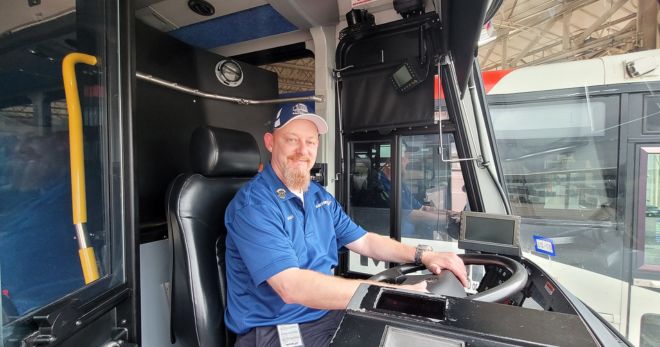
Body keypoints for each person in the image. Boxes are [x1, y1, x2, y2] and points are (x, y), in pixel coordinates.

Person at [224, 103, 468, 347]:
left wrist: (423, 255)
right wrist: (387, 294)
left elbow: (365, 241)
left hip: (325, 313)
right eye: (291, 140)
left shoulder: (318, 196)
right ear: (270, 142)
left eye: (310, 142)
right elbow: (292, 287)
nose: (303, 150)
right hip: (277, 329)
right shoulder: (254, 206)